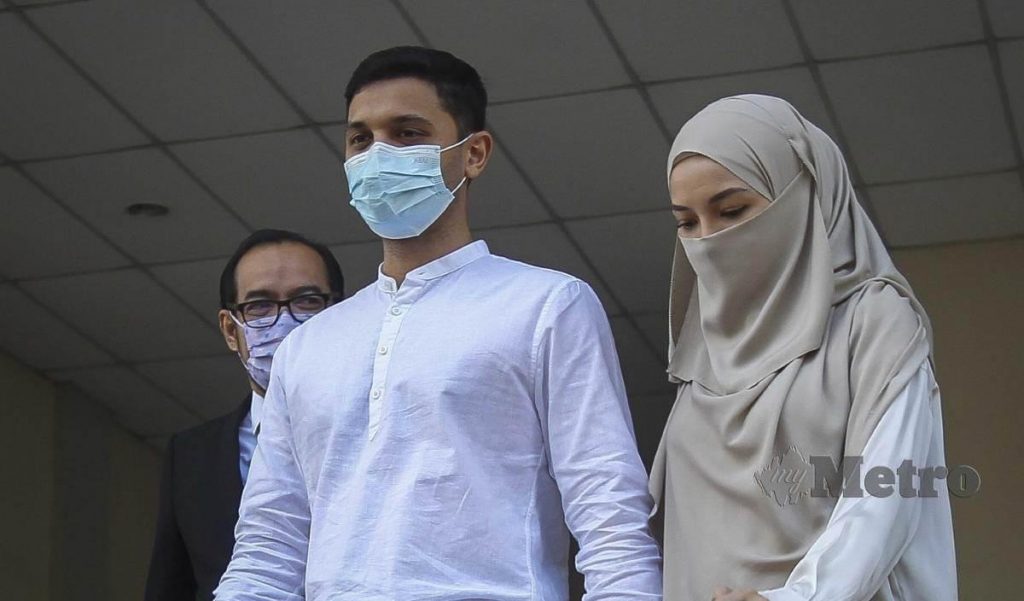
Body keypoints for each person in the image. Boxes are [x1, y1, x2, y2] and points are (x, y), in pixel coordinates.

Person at [214, 46, 661, 601]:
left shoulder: (546, 305)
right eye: (361, 139)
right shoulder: (307, 346)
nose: (379, 154)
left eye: (407, 133)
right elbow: (268, 547)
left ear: (474, 153)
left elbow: (608, 509)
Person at [650, 95, 957, 601]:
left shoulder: (871, 319)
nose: (708, 240)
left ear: (805, 195)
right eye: (687, 223)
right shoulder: (702, 354)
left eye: (731, 211)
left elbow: (887, 498)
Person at [145, 229, 344, 601]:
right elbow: (171, 586)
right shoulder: (191, 455)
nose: (284, 322)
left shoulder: (385, 426)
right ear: (229, 330)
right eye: (260, 306)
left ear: (340, 315)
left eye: (307, 301)